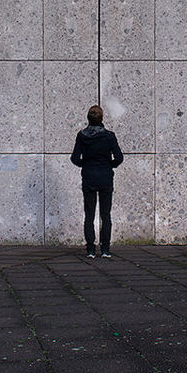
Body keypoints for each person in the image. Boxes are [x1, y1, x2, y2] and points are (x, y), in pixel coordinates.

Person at [70, 105, 123, 259]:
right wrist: (109, 165)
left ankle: (90, 249)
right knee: (105, 214)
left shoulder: (82, 136)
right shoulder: (109, 136)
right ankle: (105, 249)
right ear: (102, 118)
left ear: (88, 118)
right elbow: (119, 158)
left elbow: (74, 158)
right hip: (105, 177)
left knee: (89, 214)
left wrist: (85, 165)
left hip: (88, 177)